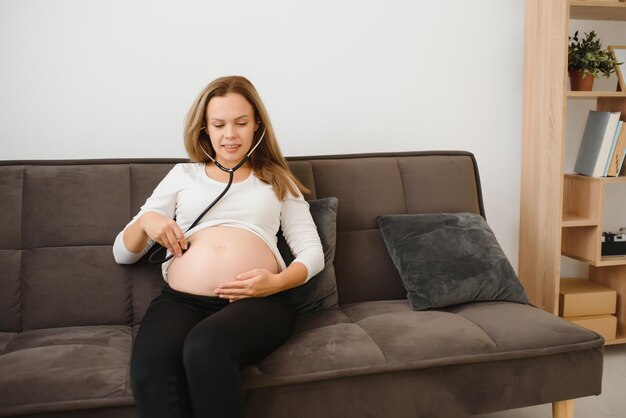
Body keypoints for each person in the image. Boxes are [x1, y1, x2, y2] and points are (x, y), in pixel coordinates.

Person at [112, 75, 324, 418]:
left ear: (257, 125)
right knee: (150, 366)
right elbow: (123, 253)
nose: (230, 134)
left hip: (259, 302)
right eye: (219, 124)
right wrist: (147, 221)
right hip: (181, 302)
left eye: (241, 123)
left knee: (205, 346)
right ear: (204, 130)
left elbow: (311, 252)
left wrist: (276, 283)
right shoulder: (183, 176)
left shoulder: (277, 179)